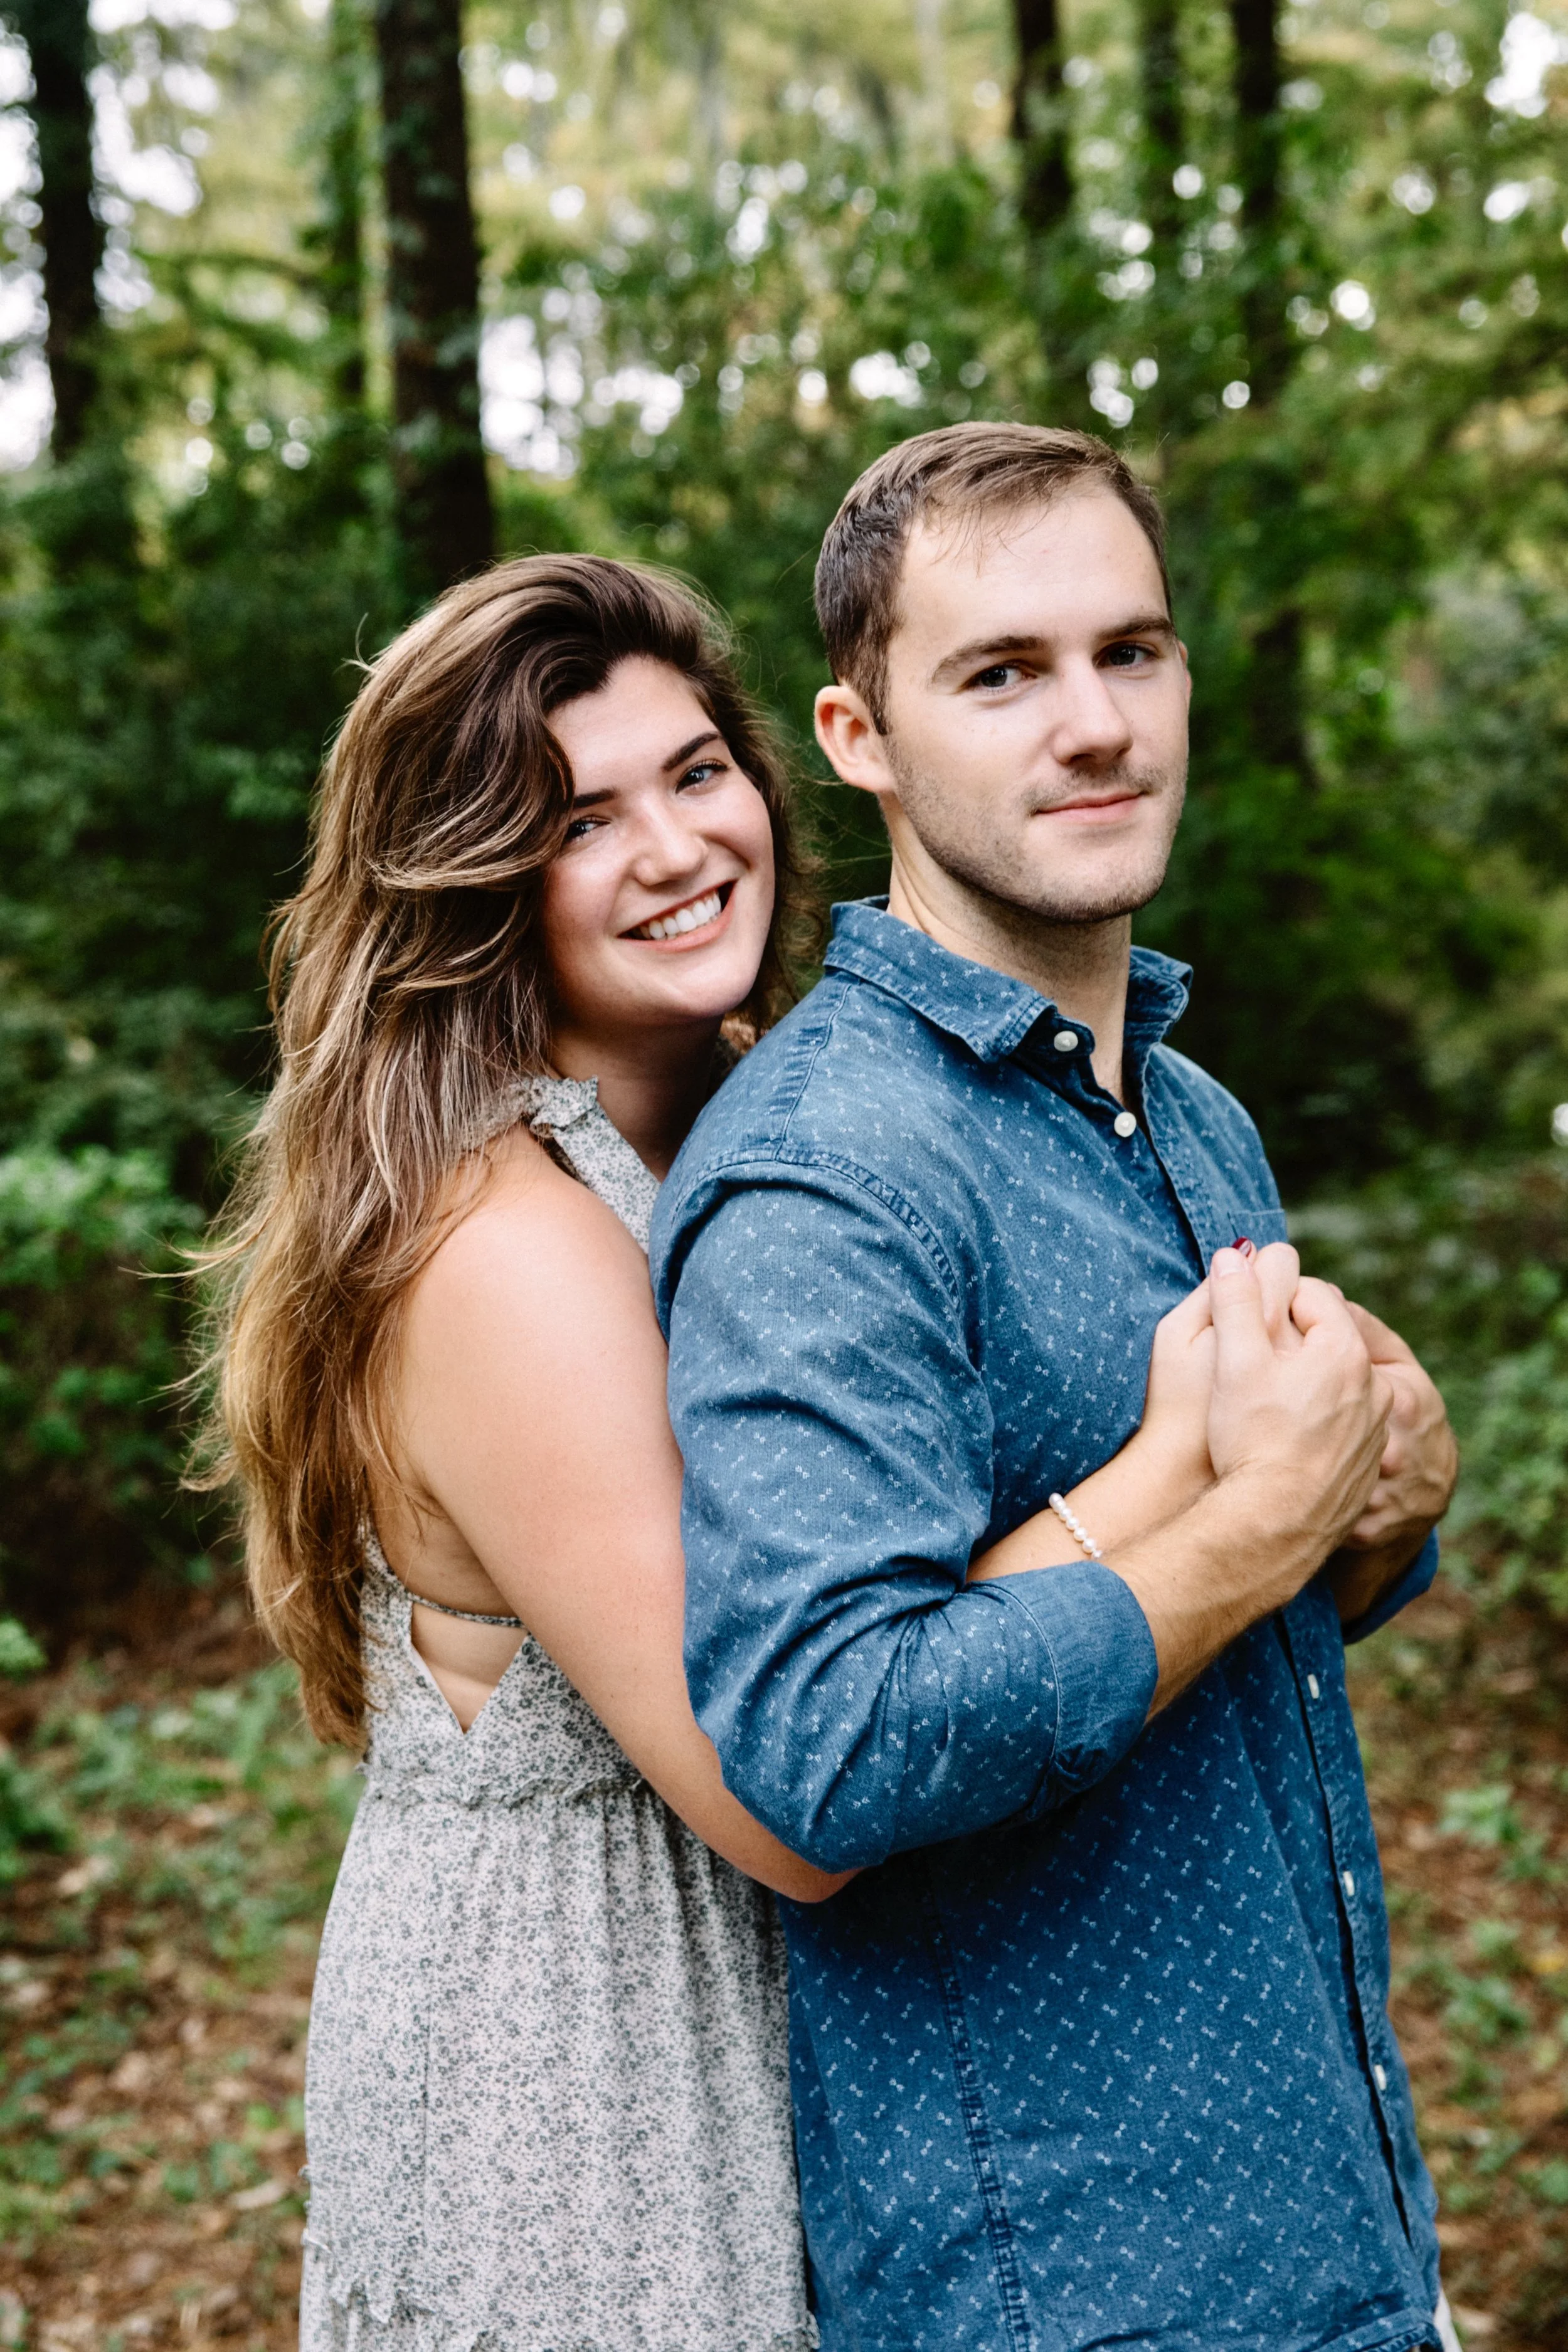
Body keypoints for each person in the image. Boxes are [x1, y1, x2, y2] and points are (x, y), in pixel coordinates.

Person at [200, 552, 1254, 2352]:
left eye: (696, 773)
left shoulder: (771, 1127)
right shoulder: (502, 1246)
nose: (678, 846)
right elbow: (793, 1771)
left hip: (804, 2013)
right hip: (592, 2054)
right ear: (469, 882)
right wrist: (1213, 1463)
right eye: (576, 818)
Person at [649, 427, 1462, 2352]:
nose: (1092, 722)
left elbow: (1257, 1628)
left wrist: (1380, 1510)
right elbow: (826, 1738)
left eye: (1133, 651)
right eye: (1000, 672)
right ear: (858, 735)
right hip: (1071, 2283)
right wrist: (1263, 1519)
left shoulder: (1187, 1112)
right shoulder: (819, 1175)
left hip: (1327, 2208)